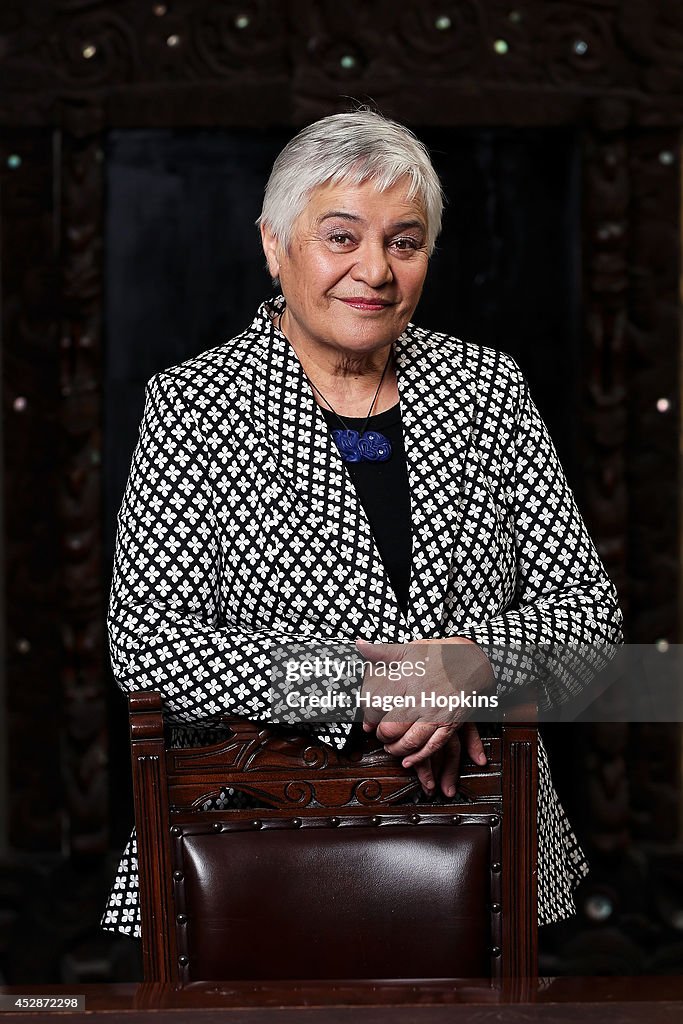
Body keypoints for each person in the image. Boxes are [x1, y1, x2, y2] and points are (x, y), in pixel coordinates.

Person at [101, 109, 623, 939]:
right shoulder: (194, 403)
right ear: (274, 246)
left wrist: (476, 663)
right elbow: (149, 640)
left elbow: (591, 618)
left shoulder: (487, 388)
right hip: (250, 844)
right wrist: (366, 683)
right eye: (340, 237)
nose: (373, 271)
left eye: (404, 243)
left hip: (482, 837)